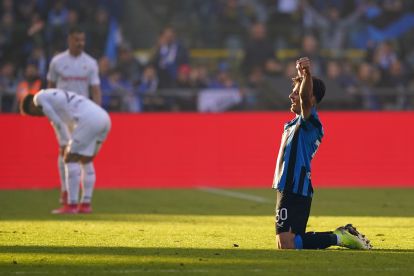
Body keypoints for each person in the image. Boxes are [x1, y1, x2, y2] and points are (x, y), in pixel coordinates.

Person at [273, 57, 372, 250]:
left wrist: (306, 74)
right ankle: (340, 236)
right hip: (287, 187)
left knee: (287, 244)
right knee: (287, 243)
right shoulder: (293, 124)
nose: (291, 97)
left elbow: (304, 98)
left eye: (296, 93)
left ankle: (339, 237)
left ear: (310, 98)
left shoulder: (310, 123)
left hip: (295, 188)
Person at [20, 89, 111, 214]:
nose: (38, 116)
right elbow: (62, 122)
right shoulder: (56, 98)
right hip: (104, 118)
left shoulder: (38, 99)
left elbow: (57, 123)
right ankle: (85, 204)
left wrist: (66, 145)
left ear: (31, 105)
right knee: (86, 160)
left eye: (34, 114)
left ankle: (71, 205)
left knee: (69, 158)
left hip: (88, 120)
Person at [47, 25, 102, 209]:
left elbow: (95, 90)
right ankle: (66, 194)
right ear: (69, 40)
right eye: (77, 40)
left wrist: (97, 111)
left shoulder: (91, 63)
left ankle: (84, 201)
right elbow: (51, 87)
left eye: (82, 40)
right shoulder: (57, 62)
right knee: (64, 152)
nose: (80, 43)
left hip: (83, 115)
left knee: (84, 157)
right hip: (62, 115)